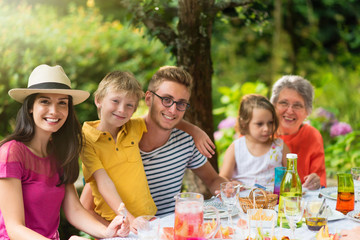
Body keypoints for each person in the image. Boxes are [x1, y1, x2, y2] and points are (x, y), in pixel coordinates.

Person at [0, 64, 129, 240]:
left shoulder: (61, 153)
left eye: (62, 103)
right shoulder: (12, 153)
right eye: (45, 101)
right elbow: (14, 228)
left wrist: (107, 232)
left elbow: (74, 210)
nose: (54, 111)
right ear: (30, 107)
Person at [81, 66, 226, 218]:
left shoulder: (185, 141)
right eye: (166, 100)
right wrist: (120, 231)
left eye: (181, 103)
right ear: (149, 98)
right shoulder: (117, 140)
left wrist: (228, 190)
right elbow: (87, 207)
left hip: (166, 228)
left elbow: (213, 179)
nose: (173, 110)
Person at [80, 71, 157, 233]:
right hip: (116, 224)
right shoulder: (86, 139)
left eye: (129, 105)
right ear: (98, 100)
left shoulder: (134, 127)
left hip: (146, 219)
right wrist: (127, 218)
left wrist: (195, 131)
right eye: (115, 101)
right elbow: (103, 182)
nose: (122, 110)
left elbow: (161, 118)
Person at [219, 94, 289, 188]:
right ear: (244, 123)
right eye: (259, 124)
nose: (266, 129)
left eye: (270, 123)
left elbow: (292, 175)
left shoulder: (280, 146)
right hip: (244, 199)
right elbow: (223, 177)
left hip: (274, 200)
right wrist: (231, 184)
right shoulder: (236, 147)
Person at [270, 75, 326, 190]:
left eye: (297, 105)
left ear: (307, 112)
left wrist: (316, 181)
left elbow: (320, 182)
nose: (290, 111)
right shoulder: (258, 132)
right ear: (274, 106)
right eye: (284, 103)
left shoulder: (312, 136)